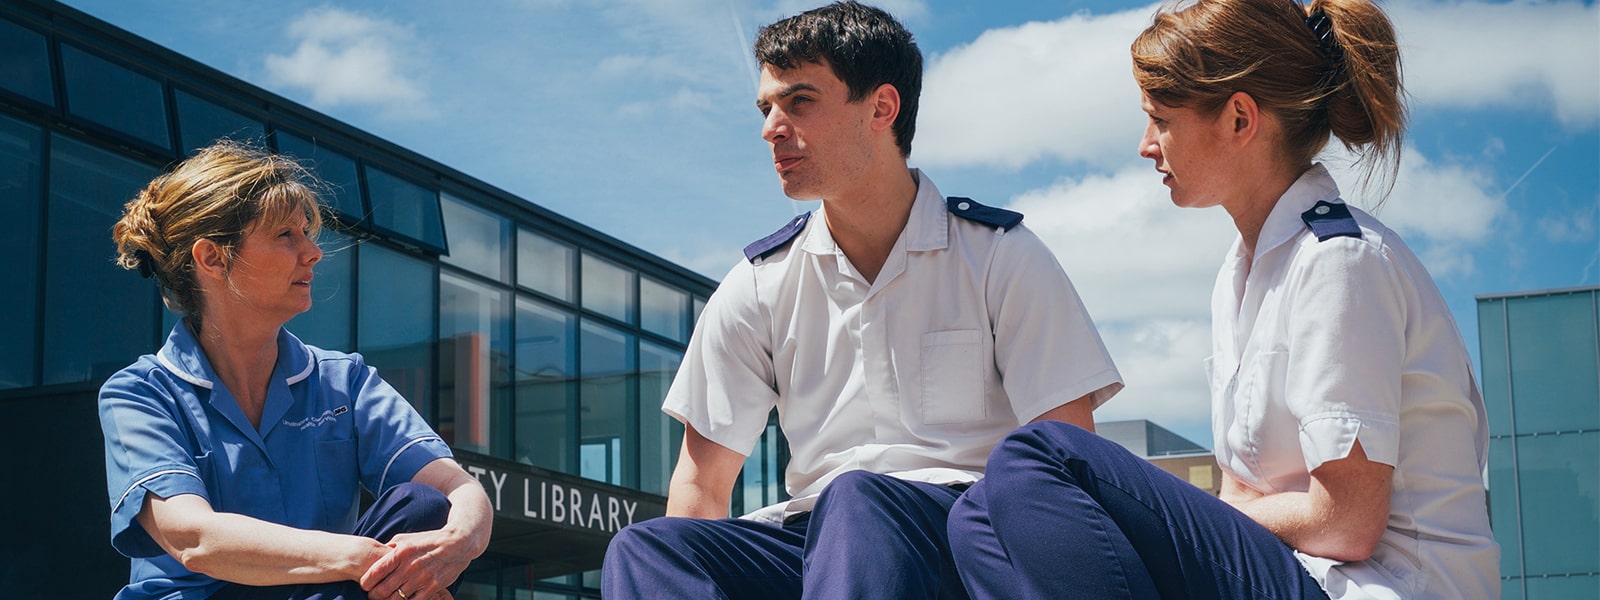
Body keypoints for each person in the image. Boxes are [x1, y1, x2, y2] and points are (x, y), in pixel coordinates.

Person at [947, 0, 1500, 598]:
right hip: (1295, 571)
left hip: (1374, 586)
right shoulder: (1239, 275)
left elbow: (1346, 521)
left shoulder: (1340, 261)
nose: (1145, 145)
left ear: (1239, 119)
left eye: (1161, 120)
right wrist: (1182, 519)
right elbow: (1241, 489)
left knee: (1041, 457)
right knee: (976, 517)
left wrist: (1165, 518)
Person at [601, 2, 1123, 599]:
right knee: (647, 548)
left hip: (970, 538)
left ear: (881, 107)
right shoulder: (757, 284)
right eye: (766, 107)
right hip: (817, 539)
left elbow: (1070, 461)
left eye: (799, 101)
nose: (771, 127)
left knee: (858, 496)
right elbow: (700, 488)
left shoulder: (1001, 256)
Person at [98, 140, 493, 600]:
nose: (313, 253)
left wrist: (455, 544)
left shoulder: (344, 381)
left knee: (425, 508)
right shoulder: (140, 394)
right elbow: (194, 539)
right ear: (212, 258)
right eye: (287, 235)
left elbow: (455, 486)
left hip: (323, 592)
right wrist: (373, 562)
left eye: (307, 232)